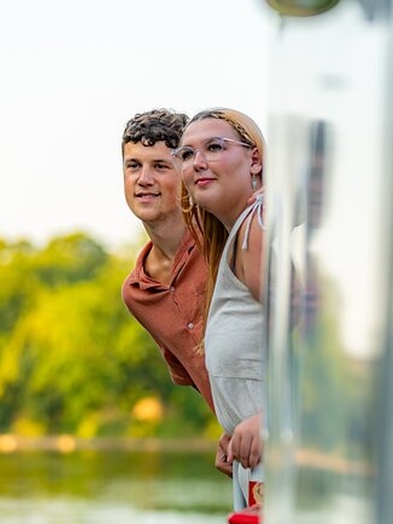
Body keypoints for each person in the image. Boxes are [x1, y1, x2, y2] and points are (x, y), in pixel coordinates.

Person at [119, 109, 233, 477]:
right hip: (247, 452)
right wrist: (231, 424)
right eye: (133, 166)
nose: (143, 180)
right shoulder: (137, 294)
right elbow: (200, 378)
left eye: (160, 167)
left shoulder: (228, 237)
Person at [174, 107, 267, 512]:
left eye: (214, 147)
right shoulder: (240, 237)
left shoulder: (257, 227)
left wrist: (273, 420)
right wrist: (235, 426)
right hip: (258, 468)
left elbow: (332, 343)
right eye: (187, 154)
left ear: (255, 160)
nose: (199, 163)